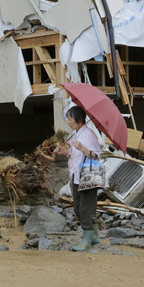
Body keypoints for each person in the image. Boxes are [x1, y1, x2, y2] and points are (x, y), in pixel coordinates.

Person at [53, 105, 102, 251]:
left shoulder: (88, 134)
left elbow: (97, 155)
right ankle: (95, 236)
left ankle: (86, 241)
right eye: (68, 119)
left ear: (79, 118)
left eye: (70, 119)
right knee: (77, 207)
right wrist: (64, 152)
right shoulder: (76, 134)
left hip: (87, 175)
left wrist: (83, 148)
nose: (68, 122)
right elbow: (74, 154)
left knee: (86, 208)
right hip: (76, 175)